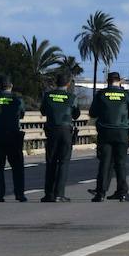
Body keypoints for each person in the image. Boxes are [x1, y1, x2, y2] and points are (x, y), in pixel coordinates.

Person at [90, 71, 129, 202]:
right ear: (119, 81)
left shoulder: (100, 94)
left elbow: (93, 113)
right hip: (121, 132)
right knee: (120, 163)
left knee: (105, 162)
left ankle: (100, 193)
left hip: (105, 132)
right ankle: (122, 193)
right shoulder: (126, 95)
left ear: (107, 81)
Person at [40, 74, 79, 202]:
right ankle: (59, 194)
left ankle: (48, 194)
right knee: (63, 162)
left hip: (51, 131)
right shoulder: (71, 97)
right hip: (65, 131)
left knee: (51, 162)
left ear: (56, 83)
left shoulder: (48, 96)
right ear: (67, 84)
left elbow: (43, 111)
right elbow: (76, 114)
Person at [0, 76, 27, 202]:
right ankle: (19, 193)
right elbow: (22, 114)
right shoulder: (17, 99)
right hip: (13, 135)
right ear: (11, 86)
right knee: (17, 166)